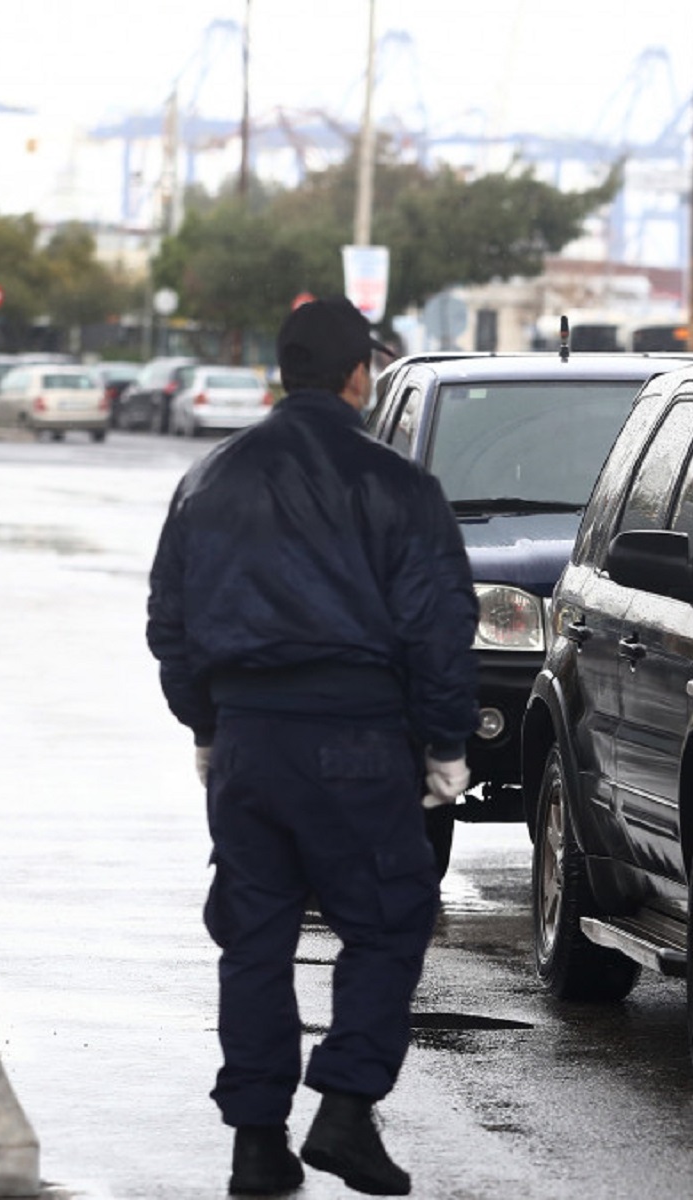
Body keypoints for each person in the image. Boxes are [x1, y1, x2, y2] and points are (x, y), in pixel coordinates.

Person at [147, 296, 478, 1197]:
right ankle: (342, 1110)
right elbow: (438, 626)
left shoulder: (210, 478)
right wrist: (446, 741)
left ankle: (256, 1145)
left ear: (280, 371)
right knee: (387, 921)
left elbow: (169, 619)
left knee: (253, 939)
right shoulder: (399, 487)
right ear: (358, 375)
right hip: (359, 742)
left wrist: (207, 727)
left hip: (249, 743)